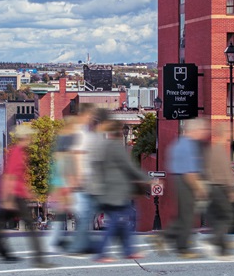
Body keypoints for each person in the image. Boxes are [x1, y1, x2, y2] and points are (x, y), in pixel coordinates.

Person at [93, 121, 149, 262]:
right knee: (125, 219)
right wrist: (148, 179)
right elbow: (129, 167)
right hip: (116, 193)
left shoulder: (103, 148)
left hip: (106, 192)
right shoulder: (116, 148)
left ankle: (128, 251)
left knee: (121, 220)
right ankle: (105, 252)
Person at [0, 124, 54, 268]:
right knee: (30, 225)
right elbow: (10, 176)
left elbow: (17, 176)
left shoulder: (19, 151)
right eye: (30, 136)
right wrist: (8, 199)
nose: (31, 138)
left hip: (16, 195)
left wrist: (28, 192)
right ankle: (39, 259)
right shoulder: (17, 151)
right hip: (14, 196)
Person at [156, 117, 210, 259]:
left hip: (178, 179)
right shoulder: (188, 145)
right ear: (194, 130)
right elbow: (190, 173)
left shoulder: (179, 143)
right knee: (187, 216)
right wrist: (199, 188)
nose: (204, 132)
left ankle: (165, 237)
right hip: (185, 181)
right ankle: (183, 248)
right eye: (202, 129)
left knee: (183, 215)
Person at [68, 104, 102, 255]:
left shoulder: (84, 132)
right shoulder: (80, 133)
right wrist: (78, 178)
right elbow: (77, 155)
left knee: (87, 211)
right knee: (86, 212)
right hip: (83, 180)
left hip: (87, 179)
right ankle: (80, 244)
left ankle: (82, 242)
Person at [203, 124, 234, 260]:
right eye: (229, 131)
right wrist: (232, 189)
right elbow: (226, 173)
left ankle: (222, 248)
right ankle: (215, 240)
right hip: (220, 187)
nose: (232, 133)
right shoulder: (219, 150)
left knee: (220, 217)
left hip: (213, 187)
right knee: (227, 216)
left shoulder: (213, 149)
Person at [45, 117, 77, 253]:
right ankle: (56, 240)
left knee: (62, 213)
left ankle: (59, 239)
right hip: (62, 185)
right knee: (64, 213)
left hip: (61, 185)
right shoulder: (65, 145)